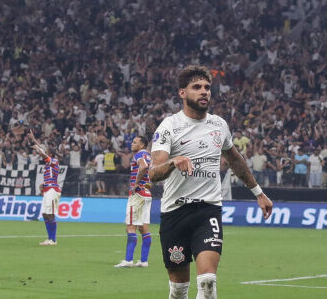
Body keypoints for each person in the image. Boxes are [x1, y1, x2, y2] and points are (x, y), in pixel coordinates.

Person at [149, 65, 273, 299]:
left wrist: (258, 192)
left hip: (208, 210)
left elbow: (234, 159)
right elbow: (154, 173)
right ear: (182, 93)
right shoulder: (169, 126)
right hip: (175, 212)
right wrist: (174, 161)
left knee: (207, 282)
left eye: (207, 87)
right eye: (197, 87)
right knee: (178, 290)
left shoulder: (219, 125)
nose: (204, 91)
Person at [115, 135, 153, 268]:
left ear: (142, 145)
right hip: (146, 193)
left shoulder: (139, 155)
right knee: (144, 228)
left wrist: (136, 184)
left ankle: (128, 260)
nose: (132, 144)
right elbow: (150, 170)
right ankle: (143, 261)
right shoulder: (148, 155)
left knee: (130, 227)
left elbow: (143, 167)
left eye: (135, 142)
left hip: (137, 195)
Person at [33, 139, 61, 246]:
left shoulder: (54, 161)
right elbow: (43, 152)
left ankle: (53, 240)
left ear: (51, 154)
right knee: (45, 214)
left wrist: (38, 148)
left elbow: (44, 154)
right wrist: (34, 140)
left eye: (47, 152)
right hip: (47, 189)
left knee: (50, 214)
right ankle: (49, 239)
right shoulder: (48, 165)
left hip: (53, 190)